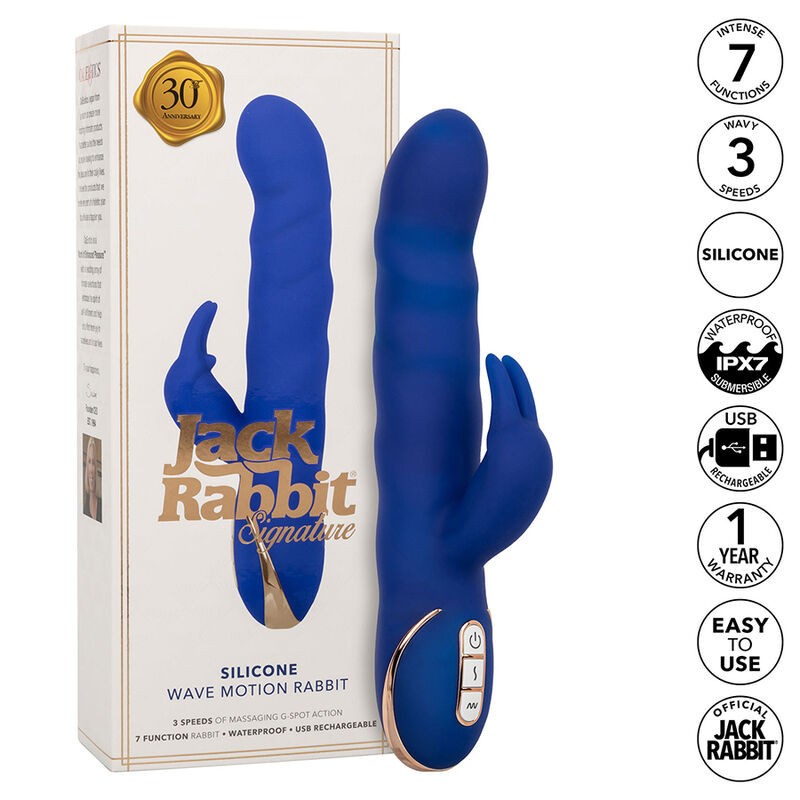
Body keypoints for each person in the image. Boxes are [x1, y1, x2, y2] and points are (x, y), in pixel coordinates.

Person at [83, 436, 102, 522]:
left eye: (93, 463)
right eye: (89, 462)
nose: (91, 469)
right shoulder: (84, 506)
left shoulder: (102, 505)